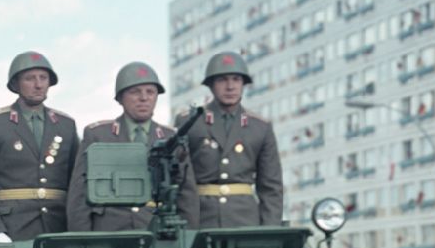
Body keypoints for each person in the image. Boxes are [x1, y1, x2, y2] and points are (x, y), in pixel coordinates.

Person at [67, 62, 198, 232]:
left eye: (150, 92)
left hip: (157, 230)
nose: (144, 98)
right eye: (135, 92)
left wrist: (187, 239)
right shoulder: (98, 135)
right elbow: (79, 194)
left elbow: (186, 195)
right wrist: (82, 242)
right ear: (120, 98)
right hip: (108, 230)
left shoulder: (171, 138)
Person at [0, 51, 80, 242]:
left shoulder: (65, 125)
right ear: (15, 84)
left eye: (43, 78)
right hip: (12, 229)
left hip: (59, 228)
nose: (38, 84)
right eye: (30, 78)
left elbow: (77, 183)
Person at [176, 51, 283, 227]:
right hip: (201, 219)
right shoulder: (189, 122)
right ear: (211, 86)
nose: (230, 86)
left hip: (245, 220)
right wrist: (187, 225)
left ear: (243, 84)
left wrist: (269, 230)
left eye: (236, 79)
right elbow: (180, 180)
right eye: (222, 80)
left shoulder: (260, 127)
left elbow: (271, 186)